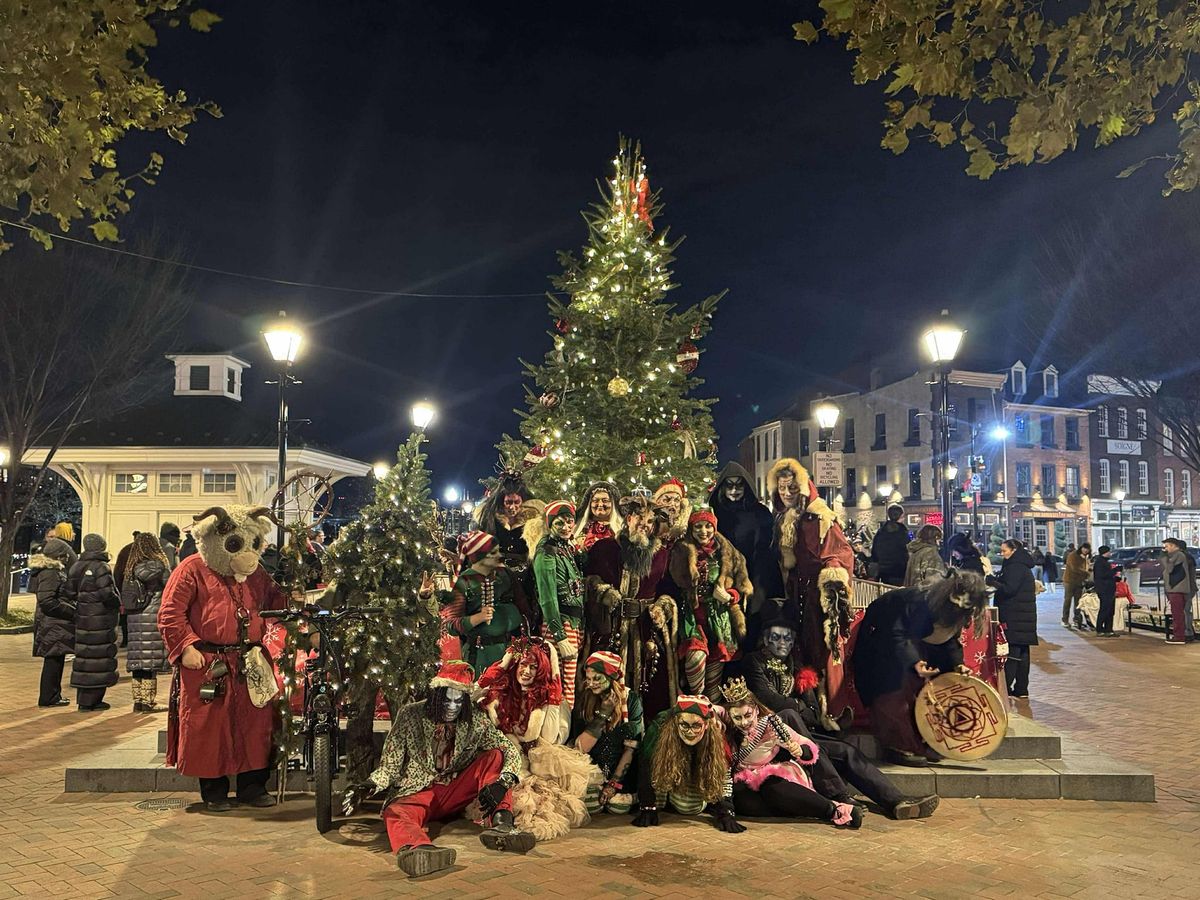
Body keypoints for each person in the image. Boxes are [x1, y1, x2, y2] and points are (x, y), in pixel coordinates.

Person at [741, 606, 939, 819]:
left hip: (800, 737)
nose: (783, 643)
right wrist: (798, 708)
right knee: (790, 714)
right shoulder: (753, 661)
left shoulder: (797, 666)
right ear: (765, 638)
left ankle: (897, 801)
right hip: (768, 741)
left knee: (846, 751)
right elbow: (769, 700)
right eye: (777, 637)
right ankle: (839, 795)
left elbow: (814, 712)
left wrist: (800, 710)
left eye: (788, 638)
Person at [158, 504, 288, 812]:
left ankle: (252, 786)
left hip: (249, 660)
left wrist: (292, 598)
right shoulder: (191, 568)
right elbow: (170, 613)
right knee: (210, 727)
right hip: (208, 662)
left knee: (255, 725)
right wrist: (185, 646)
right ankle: (214, 791)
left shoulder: (256, 574)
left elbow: (275, 600)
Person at [355, 660, 536, 877]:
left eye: (458, 701)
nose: (452, 706)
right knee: (396, 811)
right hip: (418, 792)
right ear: (436, 696)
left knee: (495, 755)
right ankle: (418, 849)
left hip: (455, 790)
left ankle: (502, 824)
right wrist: (371, 784)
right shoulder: (410, 714)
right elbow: (390, 765)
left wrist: (504, 781)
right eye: (446, 700)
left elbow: (508, 749)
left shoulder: (476, 719)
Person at [851, 571, 989, 766]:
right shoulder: (917, 602)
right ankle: (898, 745)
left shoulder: (953, 611)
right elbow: (895, 634)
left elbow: (950, 640)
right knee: (894, 693)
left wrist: (958, 665)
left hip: (914, 646)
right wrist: (914, 661)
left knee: (929, 692)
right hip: (883, 641)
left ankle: (923, 741)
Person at [477, 638, 596, 841]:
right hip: (510, 760)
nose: (527, 671)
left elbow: (550, 737)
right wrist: (505, 662)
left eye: (534, 667)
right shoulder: (499, 695)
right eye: (523, 664)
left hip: (541, 764)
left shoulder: (550, 700)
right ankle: (504, 826)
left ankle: (514, 833)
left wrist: (553, 669)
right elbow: (475, 689)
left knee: (540, 802)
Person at [768, 458, 855, 724]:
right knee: (798, 648)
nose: (786, 493)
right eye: (782, 488)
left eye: (791, 488)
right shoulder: (782, 518)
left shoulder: (820, 516)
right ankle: (807, 707)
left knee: (821, 647)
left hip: (817, 595)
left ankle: (829, 711)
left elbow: (840, 551)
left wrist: (832, 579)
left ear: (803, 488)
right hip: (796, 592)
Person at [719, 679, 862, 829]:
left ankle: (834, 810)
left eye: (748, 715)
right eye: (737, 717)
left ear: (755, 709)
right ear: (730, 716)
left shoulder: (770, 725)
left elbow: (808, 746)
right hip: (746, 783)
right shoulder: (727, 734)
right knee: (746, 803)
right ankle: (798, 806)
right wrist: (726, 812)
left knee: (771, 787)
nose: (744, 722)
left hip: (776, 778)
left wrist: (800, 751)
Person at [583, 494, 678, 716]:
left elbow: (668, 591)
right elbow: (588, 581)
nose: (644, 526)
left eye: (649, 523)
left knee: (649, 684)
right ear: (628, 520)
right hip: (610, 627)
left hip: (644, 630)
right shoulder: (605, 548)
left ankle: (641, 735)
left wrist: (661, 608)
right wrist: (604, 593)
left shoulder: (661, 555)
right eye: (640, 520)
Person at [632, 694, 744, 833]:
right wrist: (647, 805)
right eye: (684, 725)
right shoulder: (659, 731)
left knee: (688, 807)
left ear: (707, 724)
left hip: (695, 776)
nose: (690, 732)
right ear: (676, 722)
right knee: (659, 793)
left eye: (696, 725)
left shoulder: (717, 739)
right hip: (671, 769)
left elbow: (724, 776)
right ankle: (663, 797)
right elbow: (646, 763)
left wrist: (726, 811)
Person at [670, 509, 749, 698]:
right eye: (698, 526)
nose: (703, 531)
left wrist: (730, 596)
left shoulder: (727, 552)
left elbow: (743, 586)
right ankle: (696, 706)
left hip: (719, 619)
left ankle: (711, 716)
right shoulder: (681, 550)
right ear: (691, 528)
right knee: (694, 658)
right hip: (692, 618)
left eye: (708, 526)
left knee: (714, 683)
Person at [708, 462, 784, 626]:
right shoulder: (714, 513)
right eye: (729, 486)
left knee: (755, 620)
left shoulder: (760, 513)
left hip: (757, 575)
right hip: (724, 576)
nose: (734, 491)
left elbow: (766, 549)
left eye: (739, 486)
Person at [442, 530, 530, 671]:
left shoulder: (505, 574)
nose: (499, 556)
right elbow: (451, 625)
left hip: (511, 651)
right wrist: (477, 618)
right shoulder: (463, 582)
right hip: (481, 655)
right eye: (493, 553)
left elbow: (522, 606)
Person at [571, 650, 642, 815]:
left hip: (621, 770)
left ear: (612, 678)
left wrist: (613, 784)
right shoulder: (585, 697)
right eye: (588, 679)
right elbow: (581, 748)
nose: (591, 683)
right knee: (591, 807)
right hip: (592, 768)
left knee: (618, 807)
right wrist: (603, 714)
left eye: (597, 678)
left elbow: (631, 748)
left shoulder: (631, 700)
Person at [531, 502, 586, 706]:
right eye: (559, 523)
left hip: (574, 624)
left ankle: (563, 729)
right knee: (556, 683)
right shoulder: (547, 551)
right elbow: (547, 595)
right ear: (550, 524)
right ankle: (554, 731)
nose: (566, 527)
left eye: (570, 522)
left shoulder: (567, 549)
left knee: (568, 682)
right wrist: (559, 636)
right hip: (560, 623)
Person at [67, 534, 121, 711]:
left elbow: (69, 592)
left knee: (85, 656)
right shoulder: (101, 567)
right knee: (99, 657)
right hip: (100, 619)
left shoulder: (76, 566)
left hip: (83, 617)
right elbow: (108, 594)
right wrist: (116, 604)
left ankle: (83, 699)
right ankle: (94, 700)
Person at [122, 533, 173, 712]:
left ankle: (138, 701)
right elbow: (171, 589)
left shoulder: (130, 568)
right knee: (151, 661)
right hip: (153, 615)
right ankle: (149, 701)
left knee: (138, 660)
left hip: (135, 617)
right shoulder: (161, 567)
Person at [989, 540, 1039, 698]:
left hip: (1015, 615)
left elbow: (1009, 589)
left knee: (1011, 652)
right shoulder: (1021, 565)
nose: (1002, 554)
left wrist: (993, 583)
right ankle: (1022, 688)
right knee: (1022, 653)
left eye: (1005, 551)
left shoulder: (1015, 567)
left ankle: (1006, 687)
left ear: (1014, 550)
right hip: (1023, 616)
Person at [30, 538, 75, 708]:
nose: (66, 559)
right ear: (58, 556)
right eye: (64, 556)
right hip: (53, 623)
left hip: (53, 623)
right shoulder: (50, 572)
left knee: (56, 659)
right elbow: (47, 600)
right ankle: (49, 697)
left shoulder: (50, 570)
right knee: (53, 661)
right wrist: (70, 611)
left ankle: (53, 696)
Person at [475, 469, 534, 569]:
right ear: (502, 503)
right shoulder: (490, 520)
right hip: (496, 574)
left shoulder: (532, 523)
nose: (512, 507)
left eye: (516, 502)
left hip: (524, 576)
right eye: (509, 502)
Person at [1162, 538, 1195, 644]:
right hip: (1178, 588)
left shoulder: (1179, 556)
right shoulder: (1181, 556)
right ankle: (1184, 634)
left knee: (1180, 613)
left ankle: (1182, 635)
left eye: (1166, 546)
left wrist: (1163, 557)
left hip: (1178, 588)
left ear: (1173, 546)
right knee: (1180, 612)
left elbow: (1170, 569)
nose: (1165, 549)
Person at [573, 481, 623, 550]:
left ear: (613, 503)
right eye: (595, 500)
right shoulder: (580, 528)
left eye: (605, 501)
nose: (600, 505)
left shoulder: (622, 529)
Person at [871, 505, 910, 586]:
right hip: (899, 571)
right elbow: (907, 551)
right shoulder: (902, 533)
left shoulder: (881, 532)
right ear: (901, 516)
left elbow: (874, 552)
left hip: (883, 571)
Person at [652, 478, 691, 546]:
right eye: (666, 500)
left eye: (676, 500)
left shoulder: (687, 530)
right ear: (657, 503)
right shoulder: (649, 526)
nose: (672, 504)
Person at [1062, 543, 1092, 628]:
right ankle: (1065, 620)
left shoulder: (1086, 557)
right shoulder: (1073, 555)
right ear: (1081, 548)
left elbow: (1086, 567)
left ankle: (1077, 620)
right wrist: (1087, 573)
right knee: (1067, 600)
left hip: (1080, 582)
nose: (1086, 550)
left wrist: (1089, 569)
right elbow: (1074, 568)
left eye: (1087, 549)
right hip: (1069, 581)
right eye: (1084, 548)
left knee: (1078, 602)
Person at [1092, 546, 1119, 637]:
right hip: (1104, 589)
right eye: (1109, 552)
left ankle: (1109, 629)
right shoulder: (1100, 562)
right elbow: (1102, 576)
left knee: (1110, 610)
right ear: (1105, 552)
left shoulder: (1104, 562)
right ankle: (1100, 629)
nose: (1110, 554)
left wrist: (1116, 577)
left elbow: (1108, 575)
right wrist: (1114, 571)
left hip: (1109, 589)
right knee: (1105, 609)